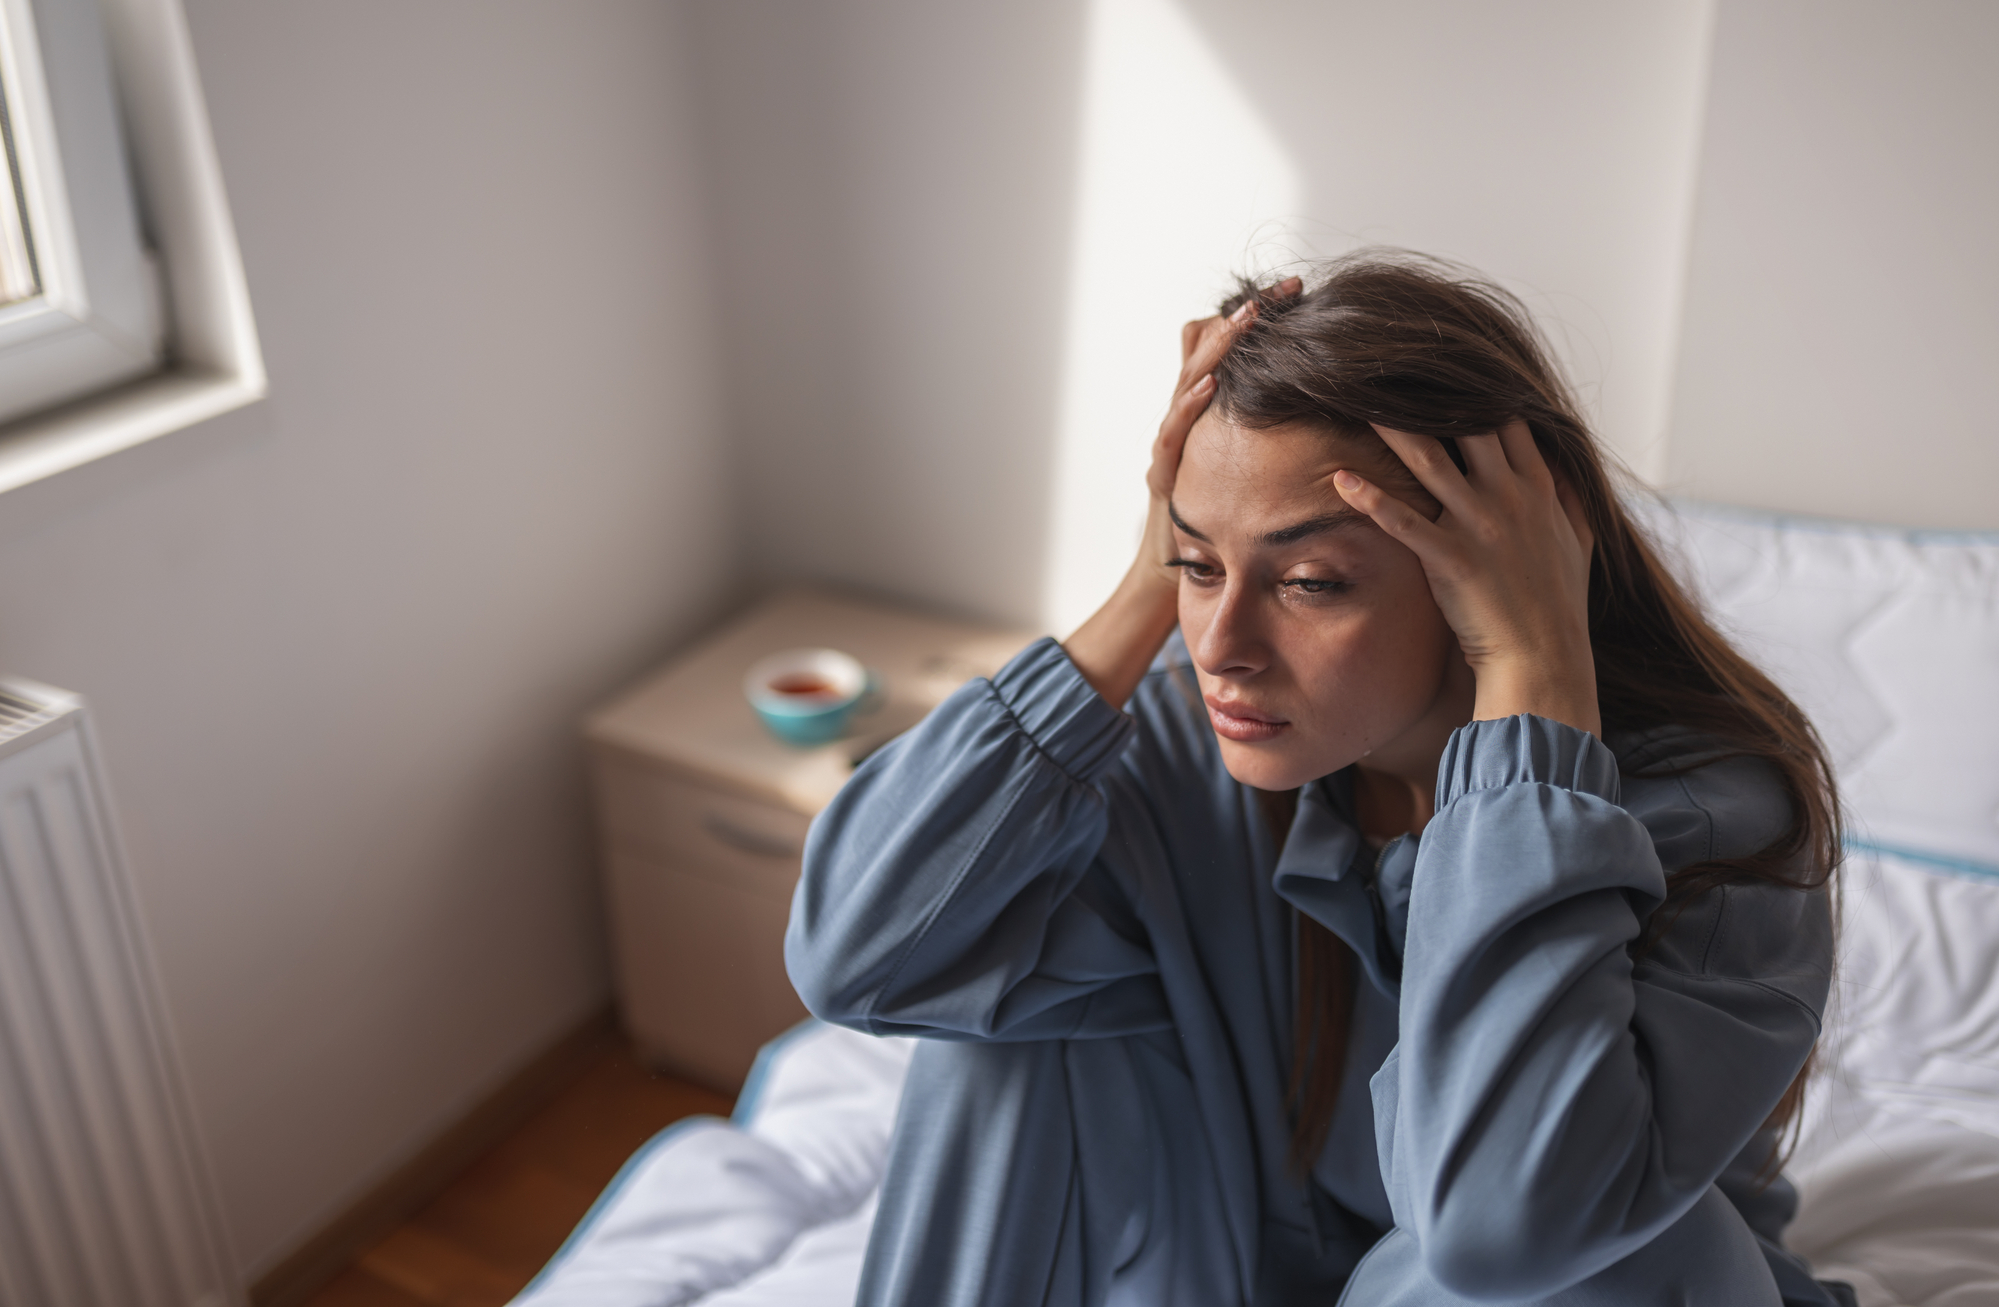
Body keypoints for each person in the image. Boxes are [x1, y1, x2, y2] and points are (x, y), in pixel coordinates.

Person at [785, 251, 1851, 1306]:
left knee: (1529, 1263)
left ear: (1497, 562)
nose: (1220, 646)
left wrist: (1529, 674)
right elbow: (860, 960)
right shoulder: (1196, 740)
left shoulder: (1714, 822)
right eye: (1197, 564)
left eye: (1307, 581)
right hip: (1246, 1263)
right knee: (998, 1047)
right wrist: (1135, 599)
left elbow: (1498, 1236)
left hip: (1603, 1286)